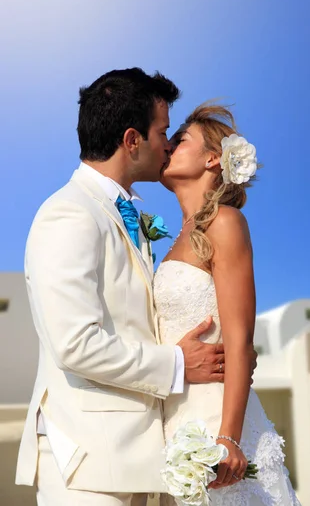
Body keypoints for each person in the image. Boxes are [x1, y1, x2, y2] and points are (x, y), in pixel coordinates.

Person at [16, 69, 249, 506]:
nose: (167, 143)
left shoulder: (135, 217)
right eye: (164, 132)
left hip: (146, 456)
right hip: (89, 464)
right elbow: (75, 343)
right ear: (131, 140)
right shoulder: (69, 212)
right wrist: (179, 363)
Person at [156, 103, 300, 505]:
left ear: (212, 159)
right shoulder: (172, 242)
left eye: (179, 139)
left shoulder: (225, 221)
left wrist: (228, 438)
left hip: (218, 426)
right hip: (175, 422)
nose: (167, 146)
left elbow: (239, 341)